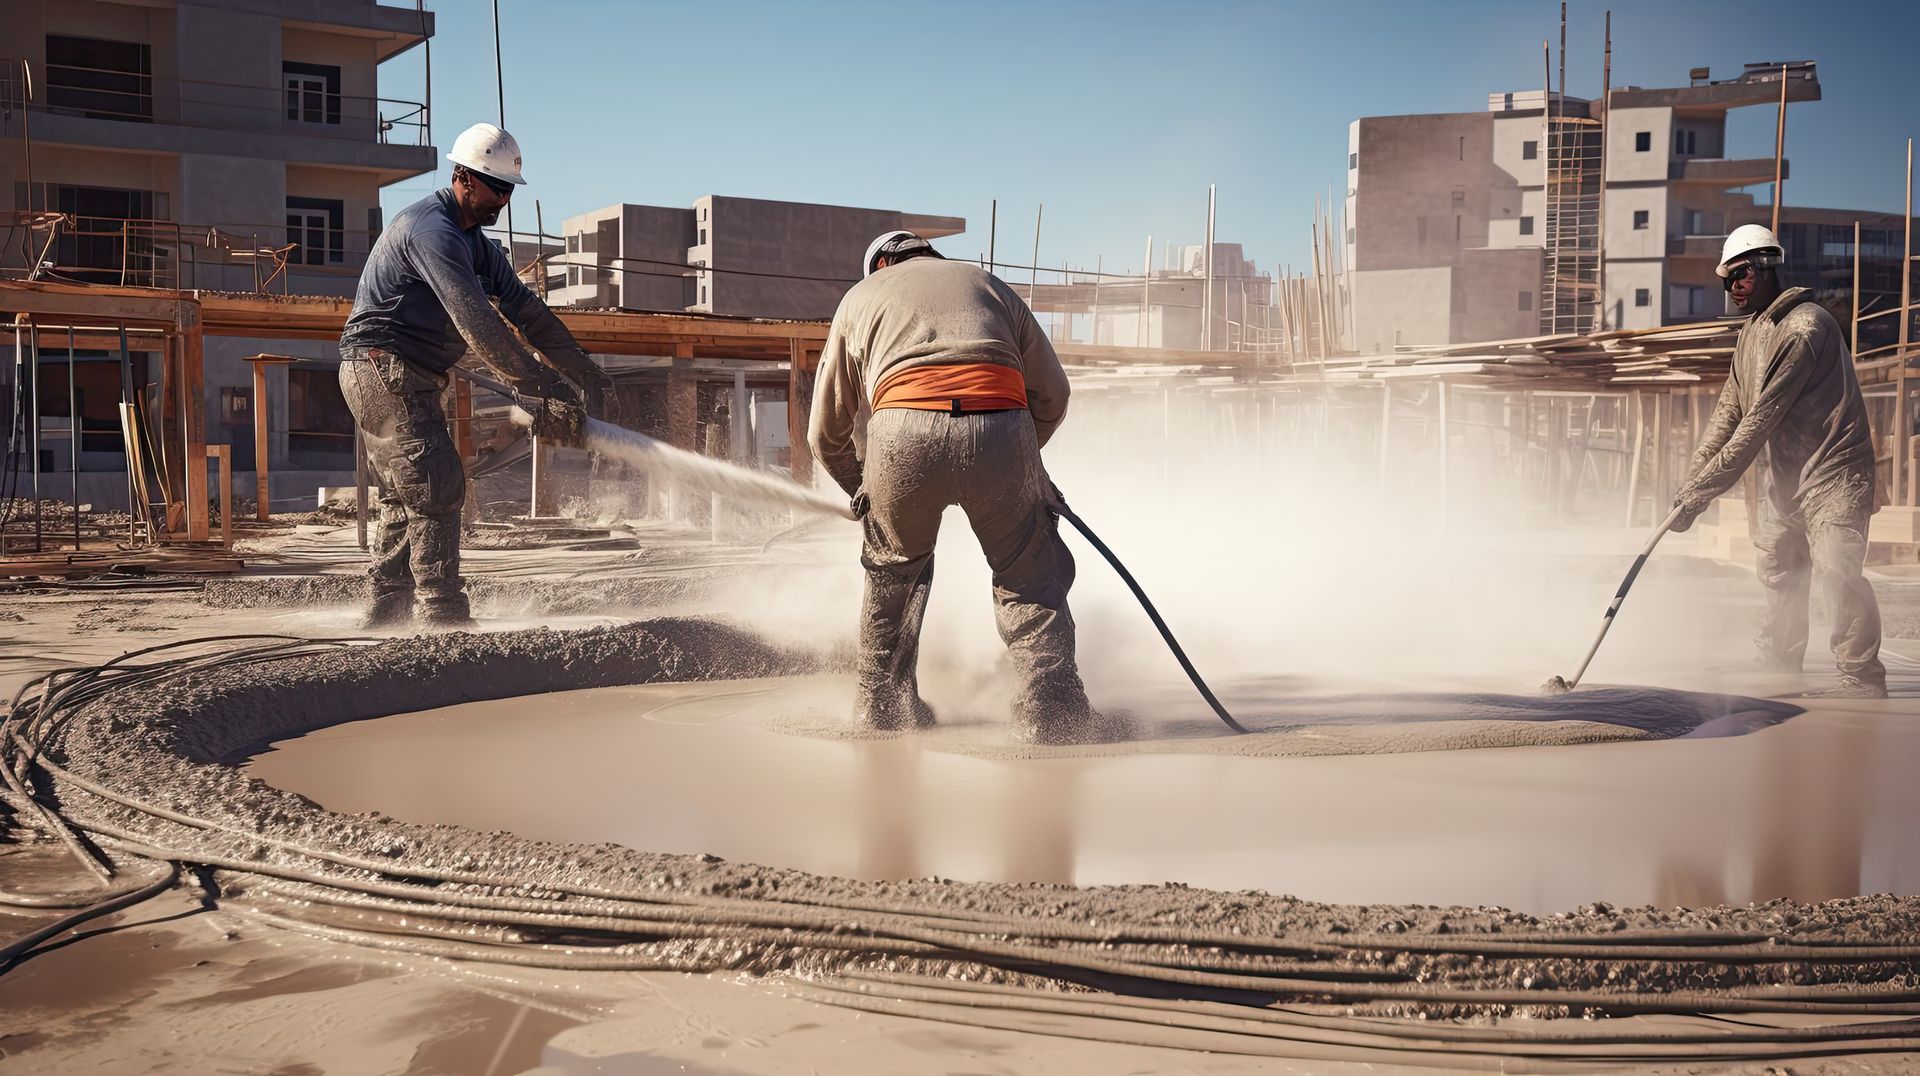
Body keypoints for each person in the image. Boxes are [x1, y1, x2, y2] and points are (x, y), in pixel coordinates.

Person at [808, 230, 1098, 742]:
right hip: (1002, 423)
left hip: (901, 433)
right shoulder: (989, 285)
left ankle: (881, 709)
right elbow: (1054, 395)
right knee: (1028, 574)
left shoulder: (860, 298)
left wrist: (861, 487)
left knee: (894, 574)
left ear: (880, 265)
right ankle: (1053, 714)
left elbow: (823, 434)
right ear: (929, 255)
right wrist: (1025, 463)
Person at [337, 122, 612, 628]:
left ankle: (386, 612)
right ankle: (443, 617)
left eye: (509, 190)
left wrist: (584, 372)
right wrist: (539, 383)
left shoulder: (474, 243)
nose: (503, 200)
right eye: (495, 187)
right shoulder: (432, 230)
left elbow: (528, 313)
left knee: (408, 492)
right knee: (436, 483)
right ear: (463, 176)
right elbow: (477, 321)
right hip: (381, 367)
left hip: (406, 373)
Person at [1672, 224, 1885, 697]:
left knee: (1836, 570)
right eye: (1726, 279)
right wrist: (1688, 486)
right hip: (1787, 475)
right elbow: (1728, 414)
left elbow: (1757, 423)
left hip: (1835, 472)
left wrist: (1701, 495)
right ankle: (1780, 665)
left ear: (1767, 267)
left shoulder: (1805, 327)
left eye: (1740, 275)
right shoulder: (1753, 333)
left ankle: (1861, 678)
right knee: (1779, 567)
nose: (1733, 287)